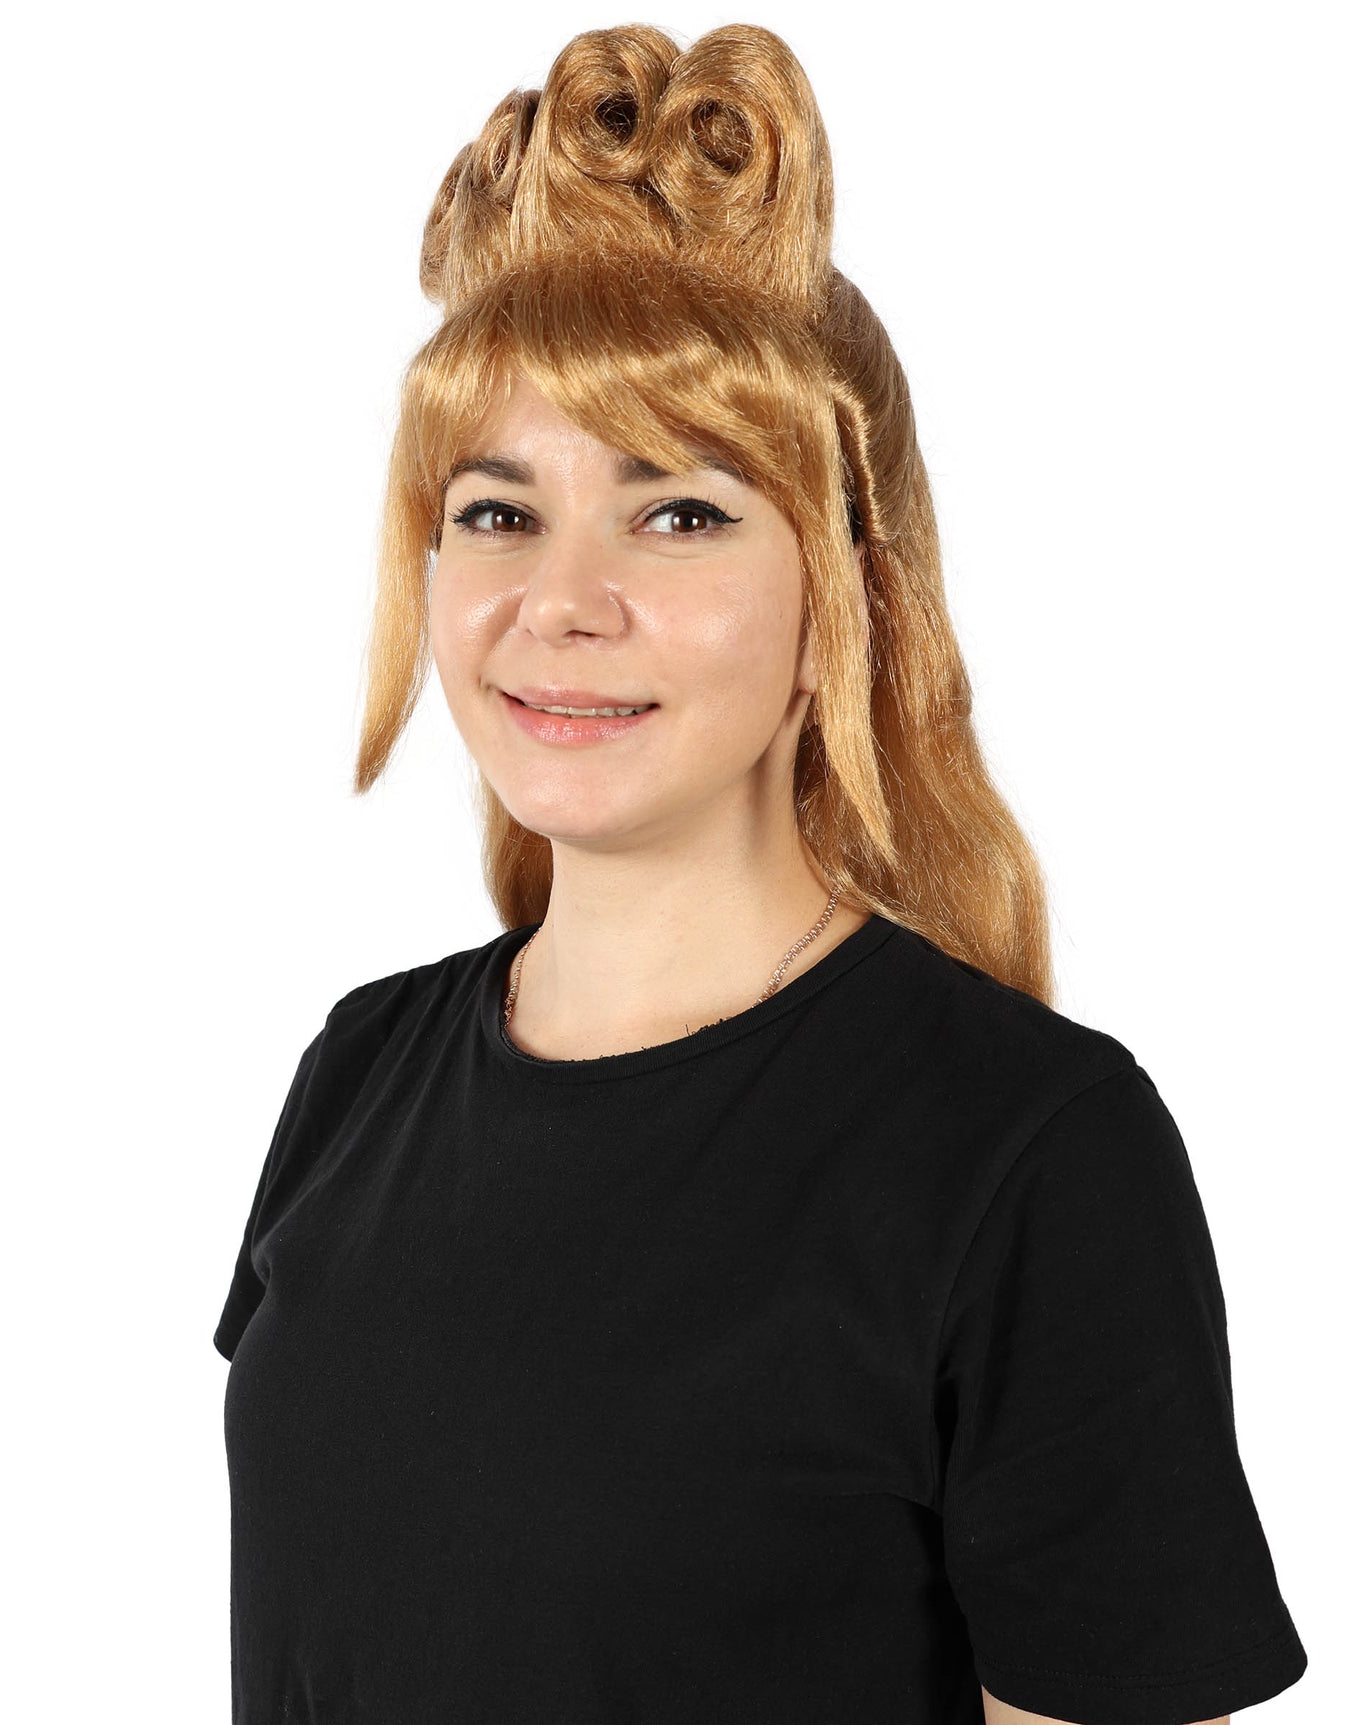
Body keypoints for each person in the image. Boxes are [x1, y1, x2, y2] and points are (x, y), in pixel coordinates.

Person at [213, 22, 1307, 1724]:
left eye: (680, 513)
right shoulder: (358, 1073)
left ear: (844, 599)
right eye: (496, 511)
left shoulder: (1026, 1153)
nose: (559, 601)